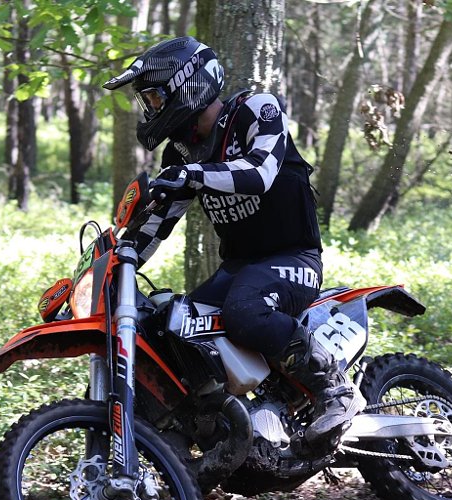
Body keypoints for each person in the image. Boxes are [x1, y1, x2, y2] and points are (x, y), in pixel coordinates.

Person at [103, 36, 364, 444]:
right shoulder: (182, 154)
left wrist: (193, 175)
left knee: (244, 312)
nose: (150, 110)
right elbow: (160, 222)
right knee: (174, 329)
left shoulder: (257, 109)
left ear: (185, 84)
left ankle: (335, 390)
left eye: (154, 99)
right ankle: (219, 432)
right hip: (240, 267)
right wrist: (121, 256)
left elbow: (260, 173)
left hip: (293, 258)